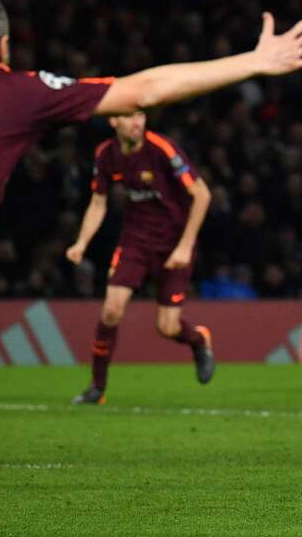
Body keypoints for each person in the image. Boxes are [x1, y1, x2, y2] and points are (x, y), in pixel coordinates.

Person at [0, 0, 302, 537]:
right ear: (4, 48)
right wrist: (254, 61)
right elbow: (143, 89)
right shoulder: (7, 90)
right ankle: (98, 384)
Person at [66, 110, 214, 404]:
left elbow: (202, 194)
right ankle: (97, 388)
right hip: (135, 241)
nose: (137, 123)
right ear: (113, 121)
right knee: (111, 311)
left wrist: (185, 246)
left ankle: (199, 340)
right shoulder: (105, 154)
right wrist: (81, 243)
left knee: (167, 327)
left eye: (140, 116)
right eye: (129, 117)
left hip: (173, 243)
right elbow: (98, 202)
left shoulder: (162, 148)